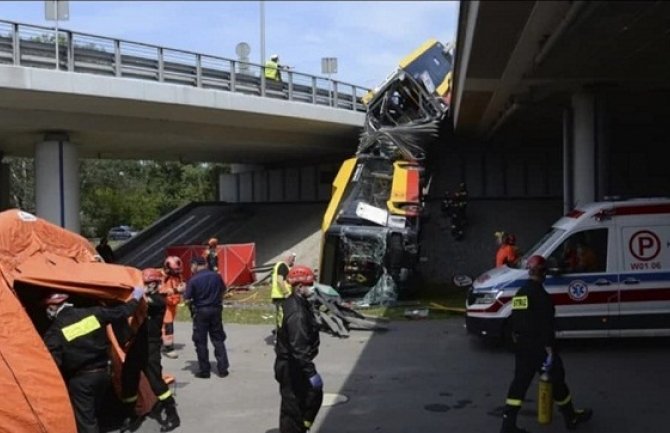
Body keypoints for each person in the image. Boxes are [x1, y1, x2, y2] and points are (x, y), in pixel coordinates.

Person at [500, 255, 592, 433]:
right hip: (540, 349)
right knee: (557, 378)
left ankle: (508, 425)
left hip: (523, 347)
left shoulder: (521, 292)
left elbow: (516, 320)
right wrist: (549, 349)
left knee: (519, 383)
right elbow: (546, 326)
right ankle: (570, 417)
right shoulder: (542, 297)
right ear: (543, 273)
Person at [42, 288, 144, 433]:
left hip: (81, 381)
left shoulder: (55, 330)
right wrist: (136, 296)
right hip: (104, 374)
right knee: (97, 409)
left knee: (86, 420)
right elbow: (124, 311)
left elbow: (53, 363)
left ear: (52, 307)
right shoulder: (94, 313)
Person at [120, 268, 180, 433]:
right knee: (128, 377)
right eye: (145, 283)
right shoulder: (143, 298)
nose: (147, 286)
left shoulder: (159, 300)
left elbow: (147, 302)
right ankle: (130, 414)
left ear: (156, 283)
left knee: (155, 381)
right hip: (138, 344)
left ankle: (172, 414)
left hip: (151, 345)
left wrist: (139, 294)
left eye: (150, 283)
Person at [274, 265, 323, 433]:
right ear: (300, 287)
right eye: (309, 284)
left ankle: (301, 427)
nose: (312, 288)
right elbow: (298, 346)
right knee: (295, 407)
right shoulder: (297, 312)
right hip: (293, 365)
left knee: (293, 405)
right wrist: (310, 372)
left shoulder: (292, 303)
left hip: (289, 363)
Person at [183, 256, 230, 379]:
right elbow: (223, 290)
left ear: (195, 265)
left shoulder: (193, 280)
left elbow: (187, 298)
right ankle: (223, 368)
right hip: (216, 310)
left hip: (201, 312)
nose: (191, 269)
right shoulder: (216, 276)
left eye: (191, 266)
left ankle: (205, 370)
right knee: (218, 339)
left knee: (200, 341)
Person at [160, 256, 186, 359]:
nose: (177, 272)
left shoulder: (178, 276)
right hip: (165, 304)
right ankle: (168, 348)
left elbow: (180, 285)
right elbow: (161, 291)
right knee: (168, 326)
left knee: (164, 326)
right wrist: (176, 290)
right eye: (175, 270)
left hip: (173, 304)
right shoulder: (161, 277)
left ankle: (161, 342)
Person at [271, 252, 297, 332]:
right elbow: (280, 281)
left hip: (281, 295)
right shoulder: (282, 266)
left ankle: (281, 333)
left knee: (282, 316)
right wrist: (286, 293)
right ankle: (280, 335)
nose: (293, 262)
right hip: (281, 296)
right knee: (282, 317)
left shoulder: (282, 266)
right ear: (289, 258)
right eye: (293, 259)